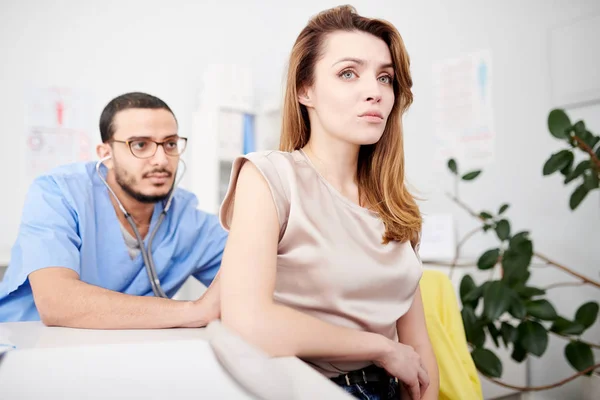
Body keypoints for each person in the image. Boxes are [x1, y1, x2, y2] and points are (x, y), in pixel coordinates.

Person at [218, 5, 439, 400]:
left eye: (384, 77)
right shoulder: (270, 177)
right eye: (348, 73)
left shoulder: (395, 202)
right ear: (306, 90)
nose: (374, 90)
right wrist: (382, 348)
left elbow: (417, 343)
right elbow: (246, 322)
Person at [0, 92, 227, 329]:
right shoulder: (58, 194)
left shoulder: (187, 219)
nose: (161, 159)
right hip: (26, 343)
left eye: (170, 144)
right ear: (105, 154)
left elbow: (254, 268)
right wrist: (196, 311)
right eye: (140, 145)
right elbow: (56, 302)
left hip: (121, 352)